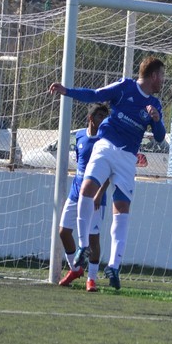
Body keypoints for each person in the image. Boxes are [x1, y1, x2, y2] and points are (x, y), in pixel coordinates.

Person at [47, 56, 166, 291]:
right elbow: (95, 94)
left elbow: (161, 137)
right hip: (106, 146)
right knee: (87, 189)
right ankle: (83, 247)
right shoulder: (125, 87)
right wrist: (67, 91)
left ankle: (114, 266)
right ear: (153, 76)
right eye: (162, 75)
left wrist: (157, 119)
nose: (163, 80)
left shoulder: (155, 104)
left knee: (121, 208)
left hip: (128, 158)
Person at [58, 103, 111, 291]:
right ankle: (75, 269)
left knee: (93, 238)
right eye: (100, 117)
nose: (103, 121)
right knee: (64, 231)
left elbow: (109, 171)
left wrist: (99, 193)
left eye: (105, 117)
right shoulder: (80, 136)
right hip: (75, 192)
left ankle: (92, 279)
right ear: (90, 118)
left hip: (95, 196)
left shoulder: (106, 141)